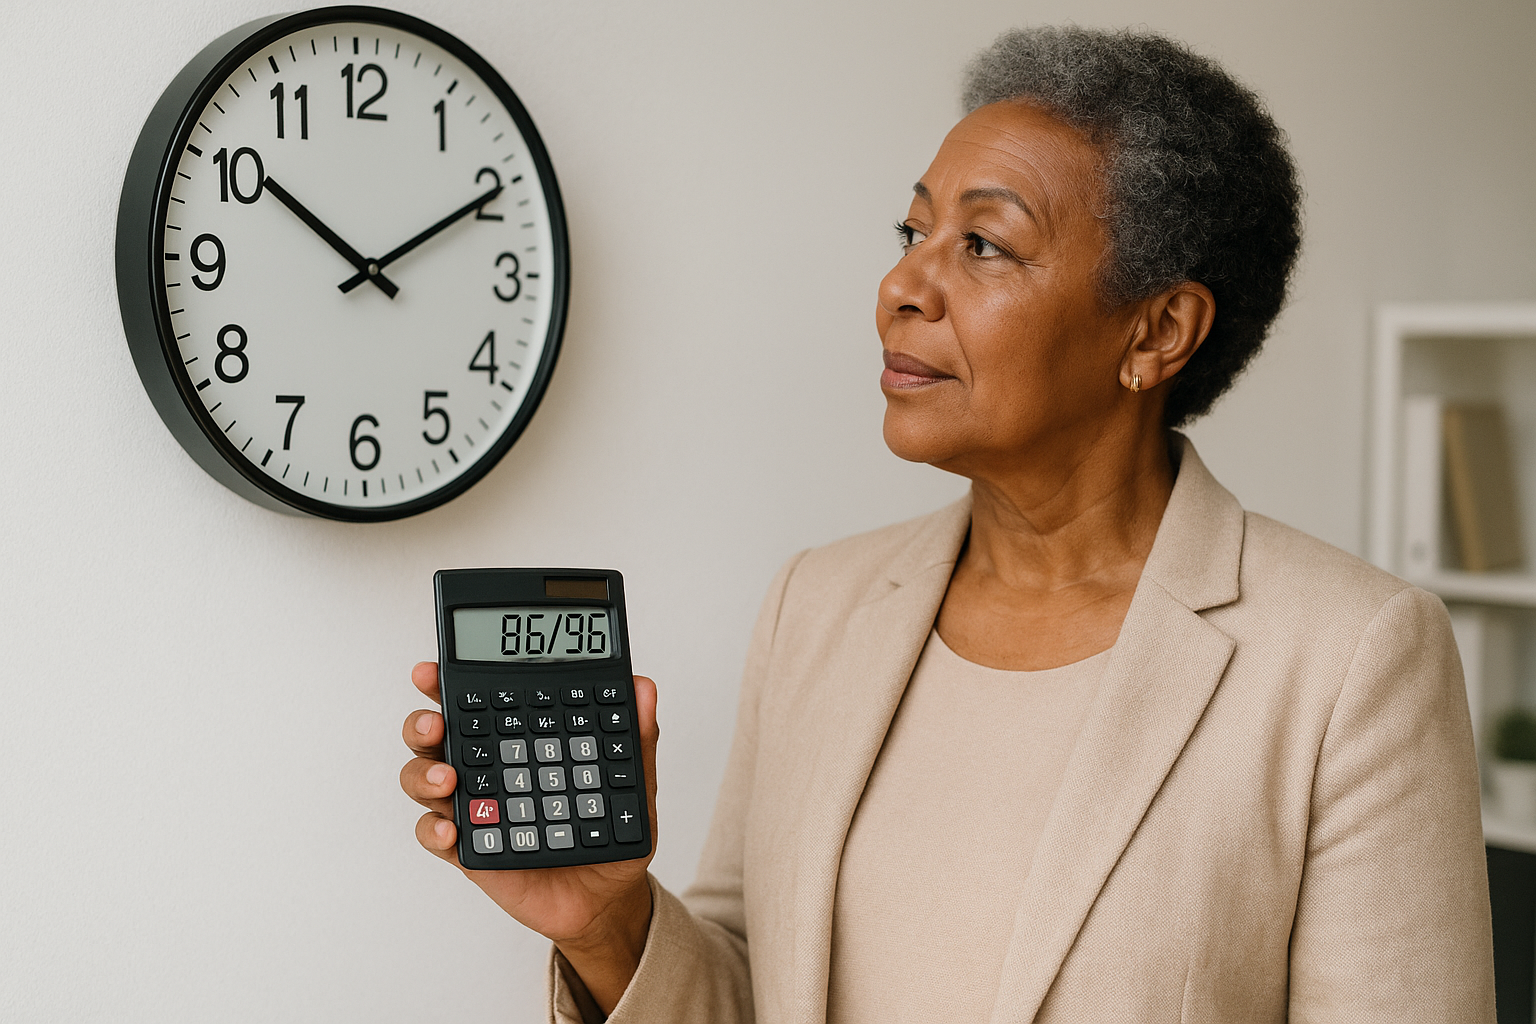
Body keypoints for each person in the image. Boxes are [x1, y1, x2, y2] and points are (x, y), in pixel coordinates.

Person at [400, 25, 1494, 1023]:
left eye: (985, 246)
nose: (900, 286)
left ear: (1159, 331)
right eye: (913, 228)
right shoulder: (816, 606)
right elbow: (747, 991)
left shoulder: (1352, 659)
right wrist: (608, 922)